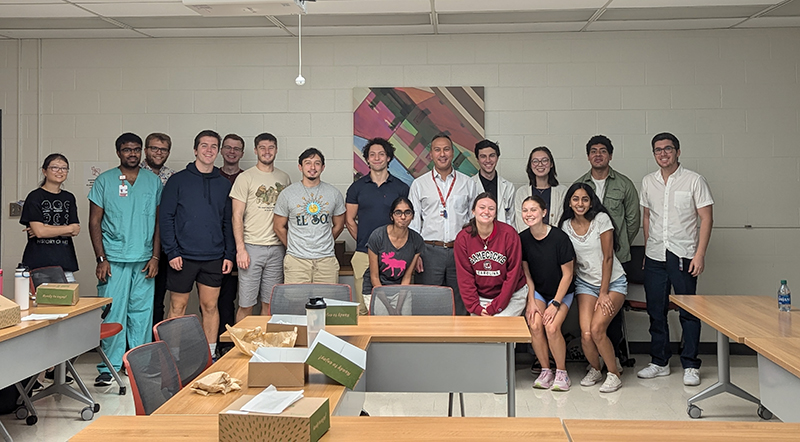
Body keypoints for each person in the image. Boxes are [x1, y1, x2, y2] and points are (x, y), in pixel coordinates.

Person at [637, 132, 714, 387]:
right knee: (656, 310)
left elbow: (706, 218)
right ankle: (659, 362)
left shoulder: (694, 181)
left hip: (684, 255)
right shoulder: (648, 182)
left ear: (678, 152)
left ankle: (691, 364)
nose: (663, 154)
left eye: (668, 149)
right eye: (658, 150)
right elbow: (647, 217)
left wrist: (699, 254)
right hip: (656, 255)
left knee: (688, 312)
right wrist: (648, 250)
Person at [88, 133, 161, 386]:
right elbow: (94, 221)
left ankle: (137, 365)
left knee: (141, 314)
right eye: (127, 150)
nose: (132, 154)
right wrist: (101, 258)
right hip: (114, 259)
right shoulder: (104, 181)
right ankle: (108, 367)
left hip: (143, 260)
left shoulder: (153, 182)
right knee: (113, 314)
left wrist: (155, 256)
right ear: (118, 152)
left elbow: (158, 222)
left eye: (136, 149)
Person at [160, 130, 234, 359]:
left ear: (218, 151)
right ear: (195, 149)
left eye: (214, 146)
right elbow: (166, 217)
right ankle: (173, 356)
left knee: (210, 307)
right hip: (182, 256)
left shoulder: (223, 184)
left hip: (214, 257)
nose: (209, 150)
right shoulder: (177, 180)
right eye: (204, 145)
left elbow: (228, 222)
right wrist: (171, 251)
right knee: (177, 307)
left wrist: (229, 254)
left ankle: (209, 356)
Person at [574, 135, 640, 369]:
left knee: (610, 318)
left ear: (610, 155)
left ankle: (615, 361)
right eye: (593, 151)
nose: (598, 154)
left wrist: (616, 246)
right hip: (588, 268)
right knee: (590, 323)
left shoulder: (624, 184)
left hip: (615, 261)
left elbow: (633, 221)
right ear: (588, 156)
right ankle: (597, 363)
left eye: (603, 151)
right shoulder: (580, 185)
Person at [559, 183, 627, 393]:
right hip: (585, 283)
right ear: (569, 202)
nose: (580, 203)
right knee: (586, 333)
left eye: (585, 199)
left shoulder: (601, 220)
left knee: (598, 329)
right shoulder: (565, 226)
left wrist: (604, 292)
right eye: (576, 199)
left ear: (591, 202)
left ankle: (614, 374)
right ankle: (596, 369)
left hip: (612, 282)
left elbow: (607, 258)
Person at [408, 134, 478, 315]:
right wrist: (416, 254)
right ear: (430, 154)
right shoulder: (419, 185)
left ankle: (461, 342)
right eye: (437, 149)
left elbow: (476, 220)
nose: (442, 154)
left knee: (461, 302)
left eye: (446, 149)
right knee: (428, 303)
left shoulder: (468, 183)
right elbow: (414, 223)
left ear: (453, 153)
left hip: (460, 251)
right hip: (429, 251)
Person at [230, 133, 291, 322]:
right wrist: (241, 250)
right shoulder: (245, 177)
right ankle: (240, 348)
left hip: (276, 248)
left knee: (269, 305)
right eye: (262, 148)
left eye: (271, 147)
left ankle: (264, 348)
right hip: (251, 247)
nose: (267, 151)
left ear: (276, 150)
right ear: (256, 150)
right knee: (246, 304)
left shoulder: (284, 178)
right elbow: (236, 216)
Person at [346, 138, 410, 315]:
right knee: (363, 308)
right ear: (367, 159)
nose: (377, 158)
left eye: (381, 154)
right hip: (363, 253)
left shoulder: (401, 188)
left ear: (388, 158)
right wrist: (368, 242)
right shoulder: (356, 188)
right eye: (372, 154)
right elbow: (350, 220)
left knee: (393, 307)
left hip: (394, 254)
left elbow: (407, 219)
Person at [519, 196, 575, 391]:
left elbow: (568, 275)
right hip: (539, 292)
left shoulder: (560, 238)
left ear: (544, 212)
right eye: (525, 210)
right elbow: (526, 273)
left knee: (551, 327)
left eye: (533, 210)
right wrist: (531, 301)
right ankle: (545, 370)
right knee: (534, 324)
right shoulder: (523, 238)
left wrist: (555, 303)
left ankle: (561, 372)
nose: (529, 214)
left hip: (562, 292)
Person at [274, 148, 346, 283]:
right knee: (296, 303)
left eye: (317, 163)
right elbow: (278, 227)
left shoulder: (334, 193)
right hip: (296, 261)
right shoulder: (287, 194)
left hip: (326, 261)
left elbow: (339, 225)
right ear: (300, 167)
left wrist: (324, 241)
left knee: (326, 302)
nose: (312, 167)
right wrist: (294, 246)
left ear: (323, 167)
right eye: (307, 163)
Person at [454, 192, 526, 317]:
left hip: (512, 295)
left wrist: (496, 307)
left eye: (491, 208)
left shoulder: (509, 234)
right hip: (480, 297)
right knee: (480, 332)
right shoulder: (463, 238)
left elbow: (513, 274)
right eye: (482, 207)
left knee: (498, 325)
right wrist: (475, 307)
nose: (486, 211)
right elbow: (465, 277)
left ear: (496, 213)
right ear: (473, 211)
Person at [20, 154, 80, 282]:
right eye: (55, 167)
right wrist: (66, 229)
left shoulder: (69, 198)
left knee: (68, 300)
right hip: (39, 264)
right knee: (42, 302)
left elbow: (75, 230)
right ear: (44, 171)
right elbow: (40, 233)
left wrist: (45, 228)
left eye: (64, 168)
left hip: (65, 263)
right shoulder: (35, 197)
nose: (60, 171)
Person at [362, 197, 424, 313]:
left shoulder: (417, 240)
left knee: (403, 324)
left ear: (413, 216)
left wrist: (398, 308)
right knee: (382, 325)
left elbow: (407, 277)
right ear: (392, 216)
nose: (403, 217)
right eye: (398, 213)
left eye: (407, 212)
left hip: (400, 290)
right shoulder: (378, 236)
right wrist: (390, 308)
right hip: (376, 288)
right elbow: (374, 277)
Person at [141, 132, 176, 326]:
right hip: (136, 245)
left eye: (163, 149)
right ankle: (131, 346)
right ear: (146, 150)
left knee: (157, 298)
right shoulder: (132, 174)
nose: (158, 153)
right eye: (154, 148)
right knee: (136, 298)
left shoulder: (172, 178)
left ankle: (153, 347)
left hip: (162, 246)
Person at [217, 133, 246, 354]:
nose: (232, 152)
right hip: (218, 248)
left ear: (242, 153)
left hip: (245, 246)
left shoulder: (248, 178)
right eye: (228, 147)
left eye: (236, 149)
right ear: (221, 151)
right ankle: (223, 345)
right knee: (222, 299)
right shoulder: (213, 177)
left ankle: (242, 344)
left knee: (244, 299)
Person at [514, 146, 568, 231]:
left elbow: (562, 221)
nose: (540, 164)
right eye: (535, 161)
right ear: (530, 165)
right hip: (528, 242)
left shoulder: (562, 192)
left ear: (551, 164)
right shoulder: (522, 192)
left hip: (555, 241)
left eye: (544, 160)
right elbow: (521, 223)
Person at [471, 139, 515, 229]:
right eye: (483, 156)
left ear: (497, 158)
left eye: (492, 156)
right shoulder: (469, 185)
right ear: (477, 160)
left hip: (502, 238)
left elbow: (512, 219)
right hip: (477, 236)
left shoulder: (508, 187)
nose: (488, 160)